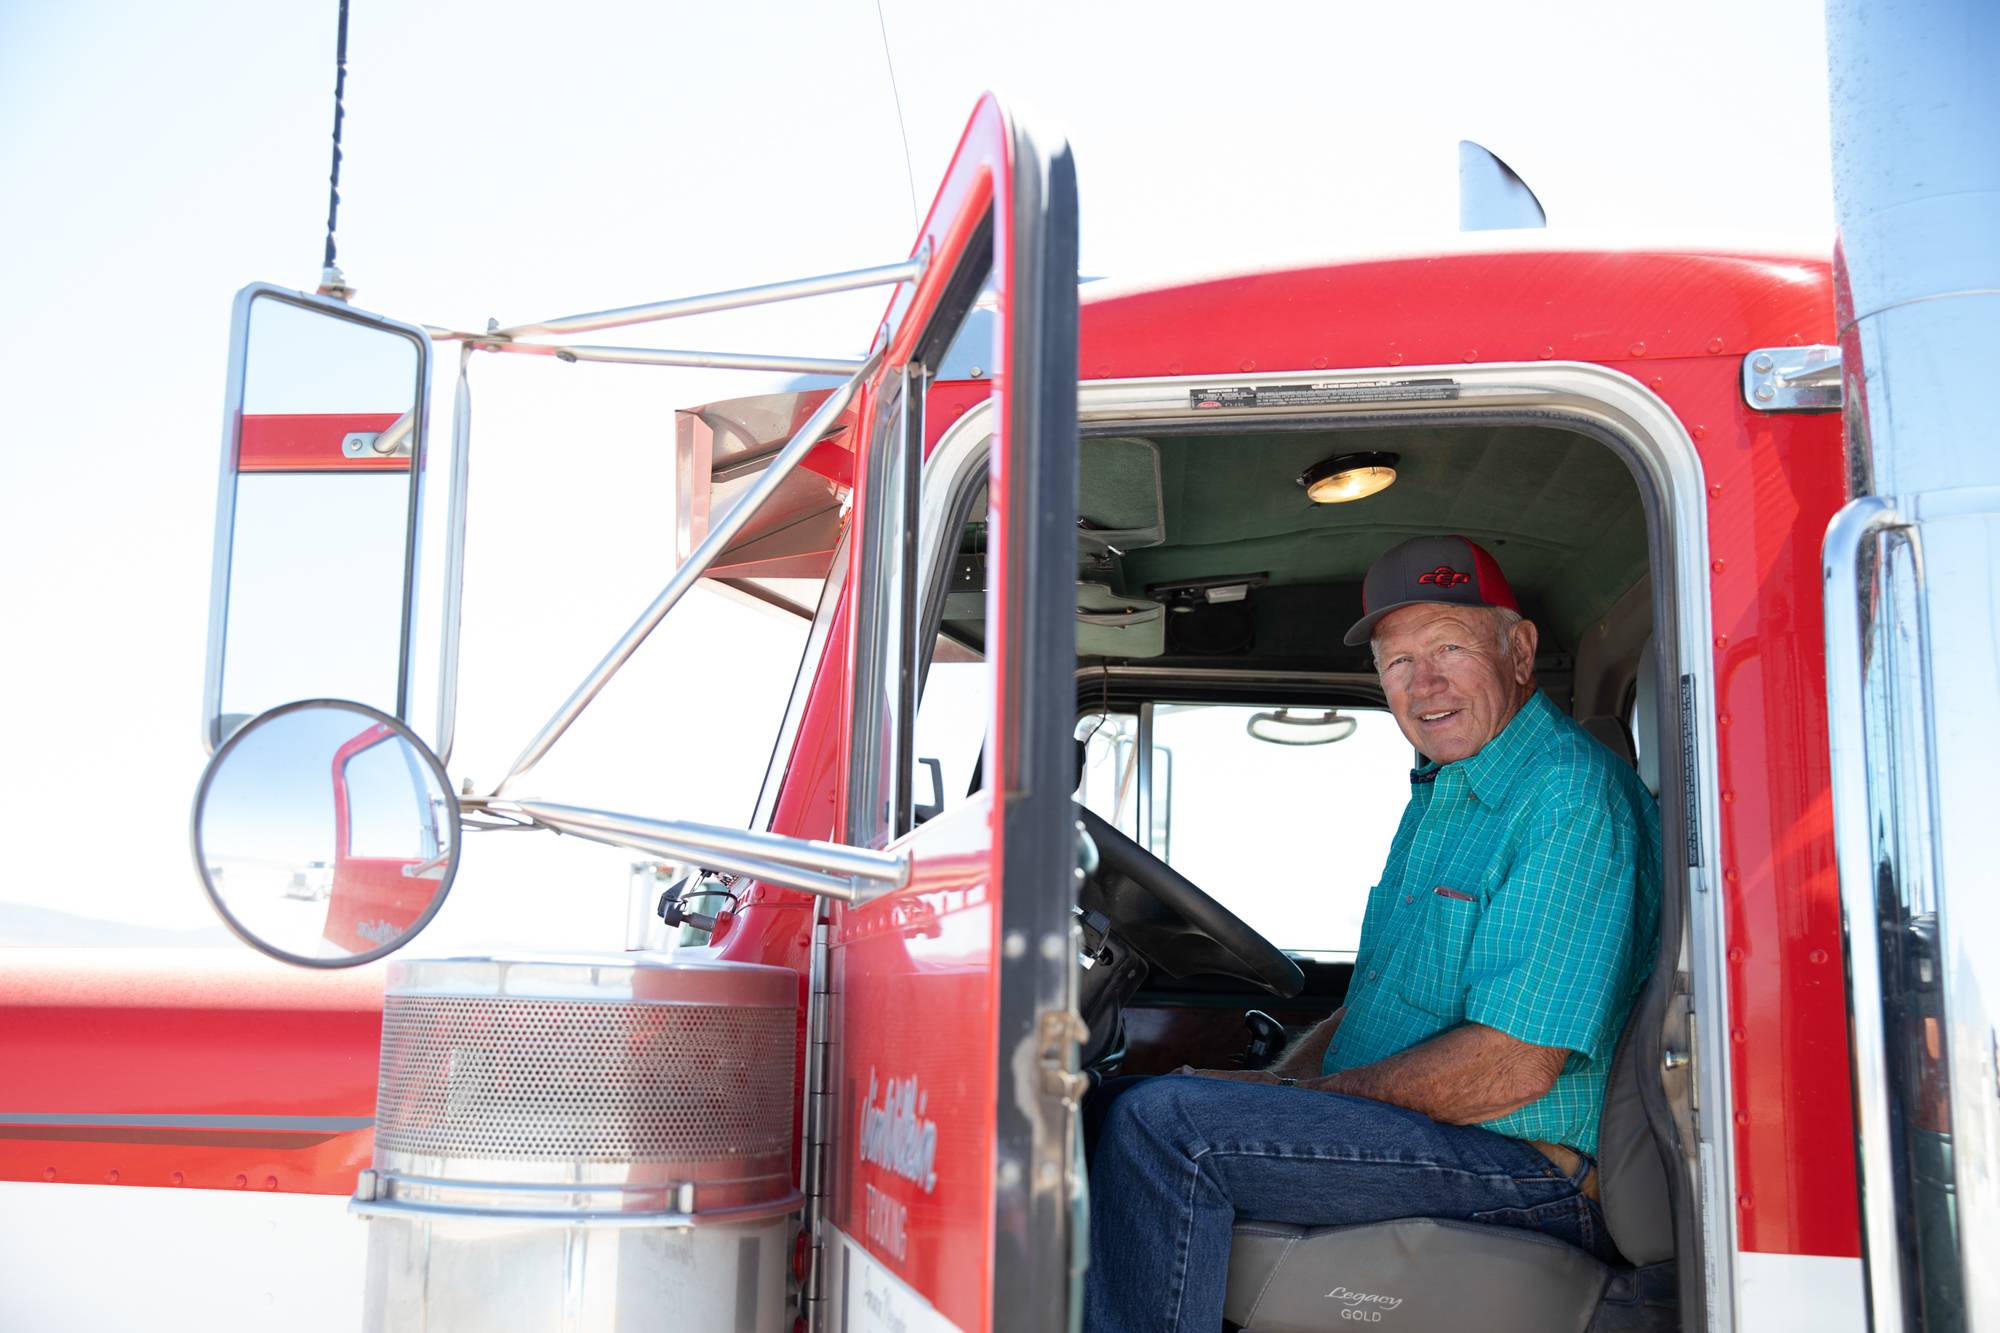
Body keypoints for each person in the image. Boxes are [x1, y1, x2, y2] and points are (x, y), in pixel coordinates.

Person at [1083, 535, 1662, 1333]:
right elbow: (1378, 1004)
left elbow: (1516, 1064)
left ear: (1519, 651)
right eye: (1398, 663)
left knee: (1164, 1128)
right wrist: (1276, 1082)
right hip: (1444, 1138)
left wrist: (1300, 1098)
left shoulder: (1567, 798)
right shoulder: (1444, 790)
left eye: (1449, 648)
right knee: (1105, 1104)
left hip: (1531, 1169)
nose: (1423, 685)